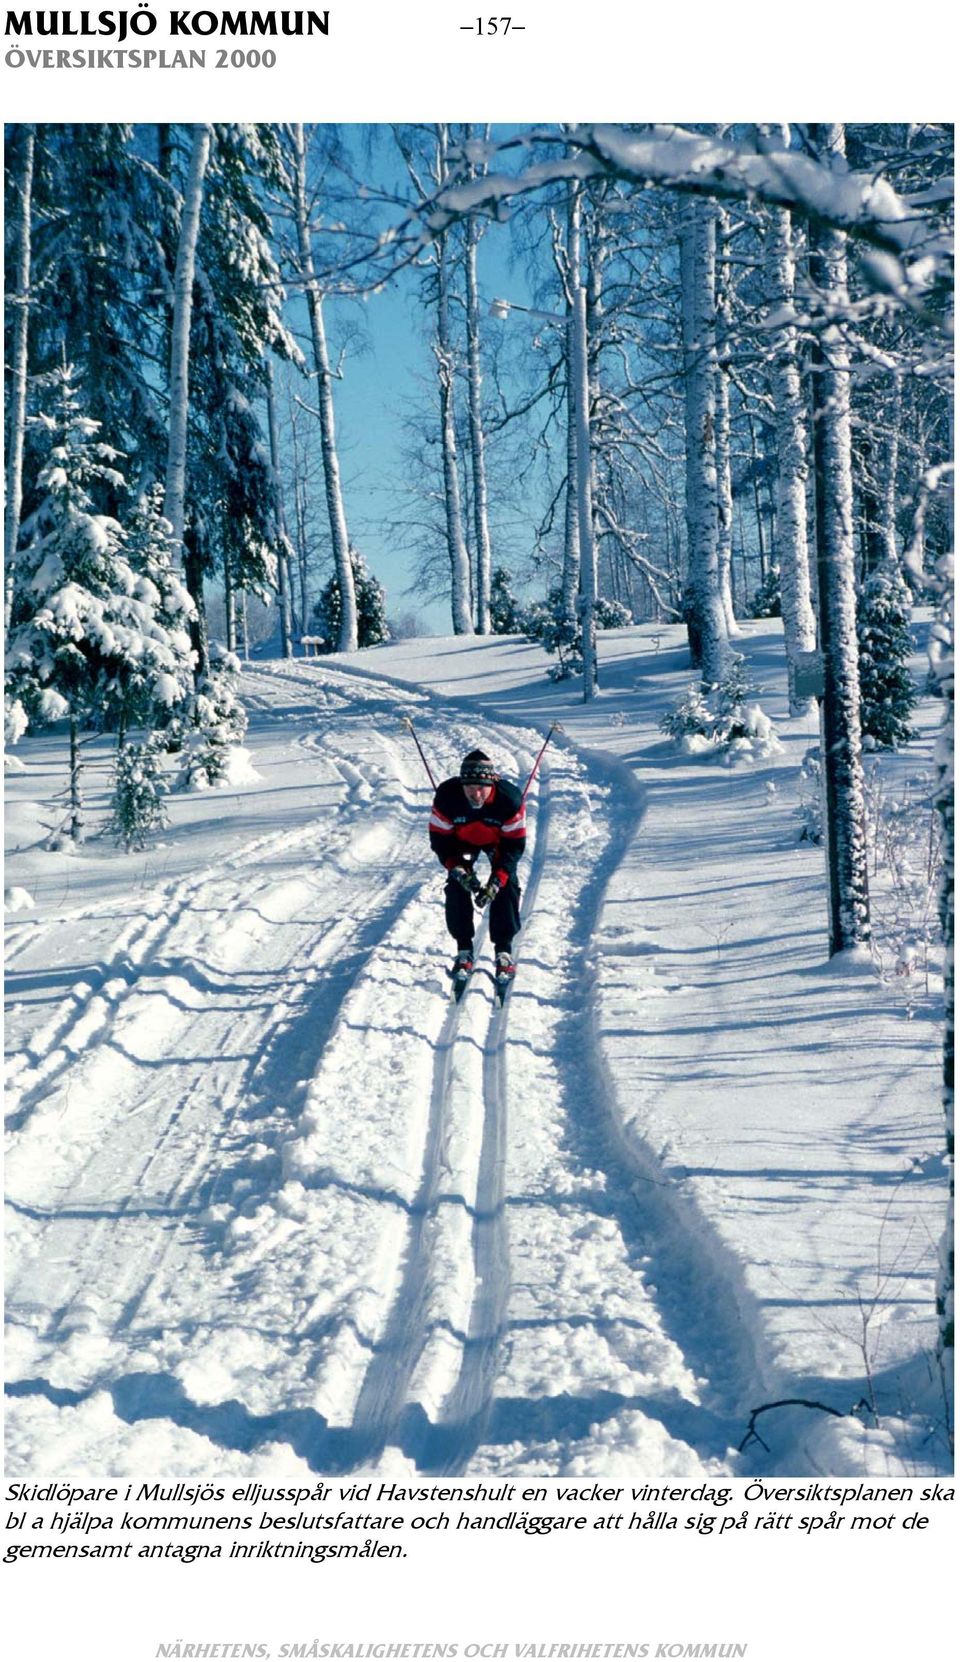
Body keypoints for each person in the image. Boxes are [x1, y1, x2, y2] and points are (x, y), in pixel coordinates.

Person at [428, 748, 526, 983]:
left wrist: (497, 879)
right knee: (456, 886)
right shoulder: (447, 797)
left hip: (498, 841)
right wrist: (458, 868)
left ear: (492, 783)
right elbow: (440, 840)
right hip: (461, 841)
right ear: (461, 785)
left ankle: (503, 950)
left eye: (482, 787)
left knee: (506, 885)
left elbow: (514, 847)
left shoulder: (509, 800)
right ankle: (463, 949)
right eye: (470, 788)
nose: (476, 794)